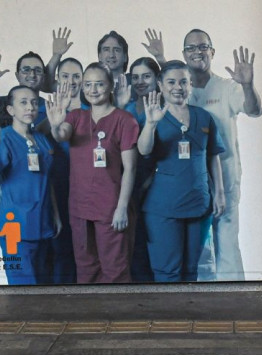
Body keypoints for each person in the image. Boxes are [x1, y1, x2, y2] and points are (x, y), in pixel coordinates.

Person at [145, 28, 262, 280]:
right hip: (189, 183)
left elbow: (253, 109)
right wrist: (160, 58)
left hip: (223, 177)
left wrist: (248, 85)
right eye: (190, 48)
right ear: (184, 54)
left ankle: (232, 304)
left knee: (227, 244)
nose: (197, 52)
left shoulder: (227, 87)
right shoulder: (180, 88)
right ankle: (199, 307)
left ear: (212, 51)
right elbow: (172, 78)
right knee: (196, 254)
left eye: (203, 47)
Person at [47, 63, 138, 283]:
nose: (93, 89)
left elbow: (131, 168)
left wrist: (122, 208)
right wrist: (55, 125)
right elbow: (62, 135)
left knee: (114, 270)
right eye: (88, 84)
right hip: (80, 208)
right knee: (86, 268)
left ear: (110, 86)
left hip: (111, 208)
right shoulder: (76, 116)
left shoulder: (124, 120)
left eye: (99, 84)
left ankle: (116, 317)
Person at [138, 60, 226, 282]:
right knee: (168, 271)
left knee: (190, 270)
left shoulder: (204, 117)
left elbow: (212, 155)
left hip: (198, 204)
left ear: (190, 85)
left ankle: (187, 315)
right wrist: (150, 124)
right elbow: (143, 150)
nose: (178, 87)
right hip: (163, 208)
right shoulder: (152, 116)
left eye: (183, 82)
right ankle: (168, 316)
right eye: (171, 82)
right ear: (160, 84)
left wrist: (219, 193)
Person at [0, 86, 60, 285]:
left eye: (33, 102)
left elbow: (47, 181)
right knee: (23, 288)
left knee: (42, 285)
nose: (30, 107)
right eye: (23, 102)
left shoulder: (41, 139)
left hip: (42, 222)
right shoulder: (3, 138)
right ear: (11, 110)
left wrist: (55, 215)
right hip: (16, 226)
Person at [118, 57, 161, 282]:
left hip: (156, 184)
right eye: (135, 77)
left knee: (154, 242)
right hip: (128, 183)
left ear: (157, 78)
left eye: (146, 76)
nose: (140, 81)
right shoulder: (125, 107)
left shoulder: (164, 108)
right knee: (131, 243)